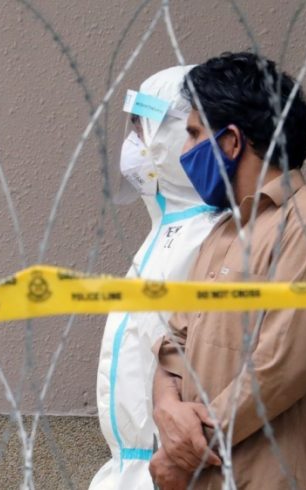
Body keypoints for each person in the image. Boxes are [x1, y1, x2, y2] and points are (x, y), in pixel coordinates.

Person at [149, 52, 306, 490]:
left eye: (195, 134)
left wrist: (184, 451)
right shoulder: (222, 231)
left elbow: (280, 367)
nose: (185, 151)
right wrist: (166, 408)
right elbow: (173, 346)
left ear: (232, 141)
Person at [91, 65, 222, 490]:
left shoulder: (215, 236)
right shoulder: (163, 232)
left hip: (176, 465)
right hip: (128, 467)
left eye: (146, 128)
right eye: (132, 128)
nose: (136, 145)